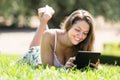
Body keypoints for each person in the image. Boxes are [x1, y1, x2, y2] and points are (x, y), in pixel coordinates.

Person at [18, 5, 100, 69]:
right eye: (77, 30)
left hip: (50, 47)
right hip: (34, 55)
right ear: (69, 26)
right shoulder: (49, 35)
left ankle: (43, 20)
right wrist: (64, 69)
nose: (81, 36)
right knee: (40, 43)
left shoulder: (84, 45)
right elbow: (47, 69)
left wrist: (93, 67)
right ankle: (43, 20)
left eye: (85, 33)